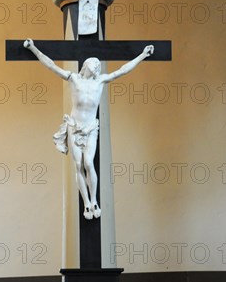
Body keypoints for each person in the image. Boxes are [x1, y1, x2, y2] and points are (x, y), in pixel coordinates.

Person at [24, 39, 154, 220]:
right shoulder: (73, 78)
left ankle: (94, 200)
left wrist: (142, 55)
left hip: (91, 127)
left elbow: (122, 71)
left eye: (98, 65)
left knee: (88, 163)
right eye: (94, 63)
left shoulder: (100, 80)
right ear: (86, 65)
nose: (97, 66)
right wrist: (33, 48)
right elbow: (51, 66)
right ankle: (86, 202)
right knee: (78, 164)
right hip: (74, 126)